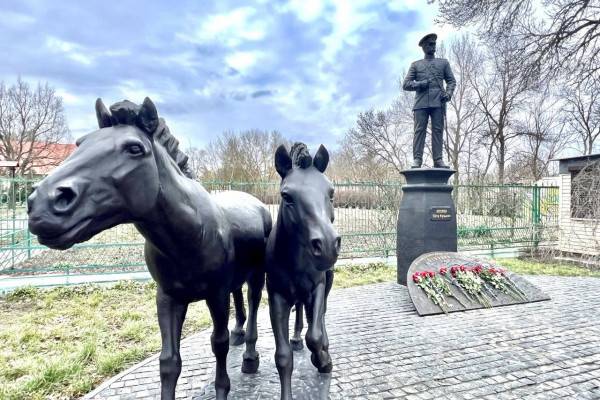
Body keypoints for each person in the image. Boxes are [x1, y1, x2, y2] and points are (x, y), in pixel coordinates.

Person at [402, 33, 456, 168]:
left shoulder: (443, 63)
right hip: (421, 104)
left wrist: (448, 94)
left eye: (434, 44)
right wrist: (421, 83)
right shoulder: (416, 65)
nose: (433, 47)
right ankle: (417, 159)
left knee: (438, 130)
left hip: (438, 102)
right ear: (424, 47)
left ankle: (438, 159)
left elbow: (451, 81)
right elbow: (406, 84)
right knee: (419, 131)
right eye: (430, 44)